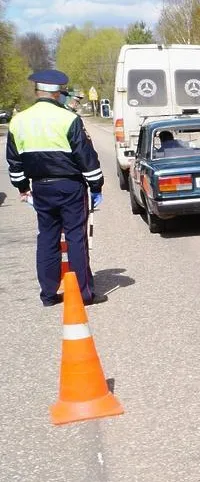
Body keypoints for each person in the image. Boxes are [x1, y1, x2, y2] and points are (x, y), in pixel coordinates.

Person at [6, 69, 107, 306]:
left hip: (40, 187)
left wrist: (22, 187)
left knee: (47, 238)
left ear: (37, 92)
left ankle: (49, 294)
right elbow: (86, 158)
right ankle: (84, 294)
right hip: (70, 187)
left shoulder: (18, 121)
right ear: (58, 94)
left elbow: (14, 161)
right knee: (75, 238)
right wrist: (96, 186)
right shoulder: (68, 119)